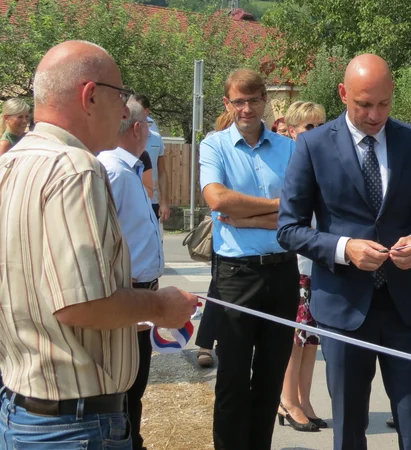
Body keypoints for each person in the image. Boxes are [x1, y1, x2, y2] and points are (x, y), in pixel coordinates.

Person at [0, 40, 195, 448]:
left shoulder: (11, 163)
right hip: (76, 425)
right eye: (120, 97)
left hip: (23, 411)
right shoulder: (76, 168)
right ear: (90, 95)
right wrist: (161, 306)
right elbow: (82, 303)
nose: (126, 112)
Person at [277, 53, 411, 450]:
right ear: (343, 94)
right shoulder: (313, 146)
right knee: (350, 428)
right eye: (364, 104)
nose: (375, 115)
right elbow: (288, 228)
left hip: (406, 307)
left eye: (384, 104)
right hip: (343, 309)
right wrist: (344, 248)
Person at [199, 69, 298, 450]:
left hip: (281, 273)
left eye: (253, 100)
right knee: (233, 380)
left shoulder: (289, 149)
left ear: (265, 102)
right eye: (238, 101)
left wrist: (245, 217)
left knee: (271, 378)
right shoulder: (214, 146)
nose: (246, 108)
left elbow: (299, 213)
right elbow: (218, 200)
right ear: (227, 104)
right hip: (236, 275)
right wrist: (275, 207)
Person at [97, 98, 166, 450]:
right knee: (125, 392)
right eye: (149, 126)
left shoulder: (129, 170)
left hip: (140, 296)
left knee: (133, 390)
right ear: (137, 129)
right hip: (126, 294)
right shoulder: (112, 171)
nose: (150, 133)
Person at [277, 100, 327, 431]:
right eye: (308, 126)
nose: (315, 132)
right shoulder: (289, 164)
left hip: (319, 263)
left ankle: (305, 399)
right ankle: (287, 401)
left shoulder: (325, 163)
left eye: (320, 125)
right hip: (295, 264)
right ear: (293, 131)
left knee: (311, 339)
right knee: (295, 338)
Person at [195, 109, 236, 369]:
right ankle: (205, 345)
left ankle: (217, 343)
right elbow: (217, 197)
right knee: (218, 291)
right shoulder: (214, 146)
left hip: (241, 237)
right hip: (224, 235)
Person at [133, 94, 170, 222]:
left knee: (154, 240)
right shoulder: (125, 137)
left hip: (152, 201)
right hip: (132, 201)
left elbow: (162, 172)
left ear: (146, 112)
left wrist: (164, 202)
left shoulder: (156, 138)